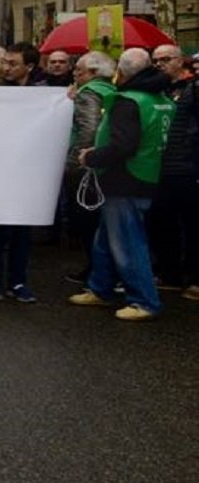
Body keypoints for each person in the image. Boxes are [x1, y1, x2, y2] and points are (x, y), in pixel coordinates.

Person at [69, 48, 175, 321]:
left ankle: (144, 300)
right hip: (149, 174)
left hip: (126, 178)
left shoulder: (129, 101)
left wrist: (90, 156)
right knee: (105, 238)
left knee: (127, 242)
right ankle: (100, 287)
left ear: (123, 73)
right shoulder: (161, 99)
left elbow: (123, 145)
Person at [0, 46, 39, 303]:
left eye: (13, 63)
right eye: (5, 63)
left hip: (29, 172)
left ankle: (18, 280)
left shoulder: (44, 93)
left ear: (30, 67)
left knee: (22, 232)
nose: (6, 68)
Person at [63, 50, 117, 286]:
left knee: (87, 223)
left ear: (94, 73)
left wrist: (74, 164)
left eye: (79, 70)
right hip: (109, 164)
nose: (74, 74)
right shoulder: (114, 91)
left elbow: (88, 130)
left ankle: (97, 271)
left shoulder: (89, 93)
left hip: (87, 167)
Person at [148, 43, 196, 297]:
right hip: (161, 166)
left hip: (188, 166)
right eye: (155, 60)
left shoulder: (192, 88)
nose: (159, 64)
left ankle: (194, 276)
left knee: (192, 225)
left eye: (165, 59)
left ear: (180, 61)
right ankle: (169, 273)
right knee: (161, 222)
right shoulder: (158, 90)